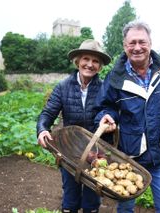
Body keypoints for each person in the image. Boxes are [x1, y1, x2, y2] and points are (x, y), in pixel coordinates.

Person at [94, 20, 160, 213]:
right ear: (125, 46)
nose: (137, 47)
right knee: (125, 206)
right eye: (132, 43)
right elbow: (105, 106)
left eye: (142, 42)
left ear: (150, 43)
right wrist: (106, 117)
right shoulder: (116, 77)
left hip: (159, 156)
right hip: (128, 158)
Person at [36, 39, 111, 213]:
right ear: (77, 61)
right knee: (70, 197)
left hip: (97, 152)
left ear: (100, 66)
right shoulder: (63, 87)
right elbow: (47, 114)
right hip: (69, 150)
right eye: (86, 59)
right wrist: (42, 129)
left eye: (95, 61)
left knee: (93, 198)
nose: (90, 65)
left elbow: (110, 113)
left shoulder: (104, 89)